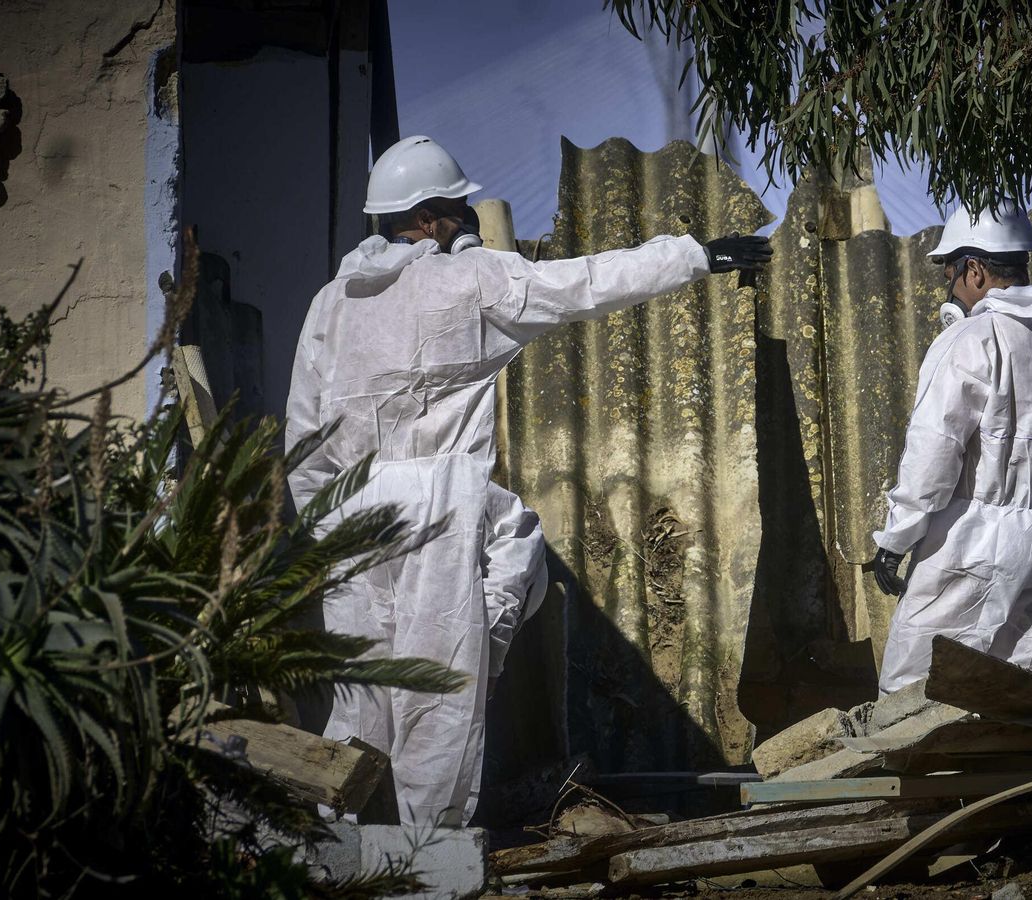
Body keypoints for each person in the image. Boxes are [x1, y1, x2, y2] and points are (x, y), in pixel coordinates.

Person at [285, 135, 770, 825]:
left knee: (361, 692)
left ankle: (336, 846)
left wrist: (316, 537)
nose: (465, 221)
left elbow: (304, 433)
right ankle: (427, 856)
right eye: (455, 209)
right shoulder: (470, 279)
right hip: (435, 508)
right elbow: (585, 283)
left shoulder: (329, 304)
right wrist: (694, 255)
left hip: (348, 515)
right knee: (439, 690)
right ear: (427, 217)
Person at [869, 204, 1032, 694]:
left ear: (975, 271)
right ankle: (1021, 771)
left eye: (952, 275)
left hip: (972, 540)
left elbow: (933, 451)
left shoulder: (969, 338)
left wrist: (896, 537)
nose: (951, 290)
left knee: (917, 685)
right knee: (1024, 682)